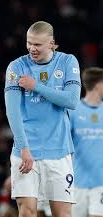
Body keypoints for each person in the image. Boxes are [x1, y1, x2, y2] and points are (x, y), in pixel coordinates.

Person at [4, 21, 81, 217]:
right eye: (29, 43)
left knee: (62, 213)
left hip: (59, 151)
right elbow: (12, 112)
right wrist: (24, 148)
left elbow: (71, 100)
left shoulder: (67, 62)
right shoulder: (16, 66)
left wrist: (36, 86)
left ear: (52, 43)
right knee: (27, 212)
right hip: (26, 150)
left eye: (37, 44)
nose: (32, 49)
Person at [69, 67, 103, 217]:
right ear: (98, 85)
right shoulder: (73, 111)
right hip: (77, 183)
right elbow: (63, 145)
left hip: (100, 182)